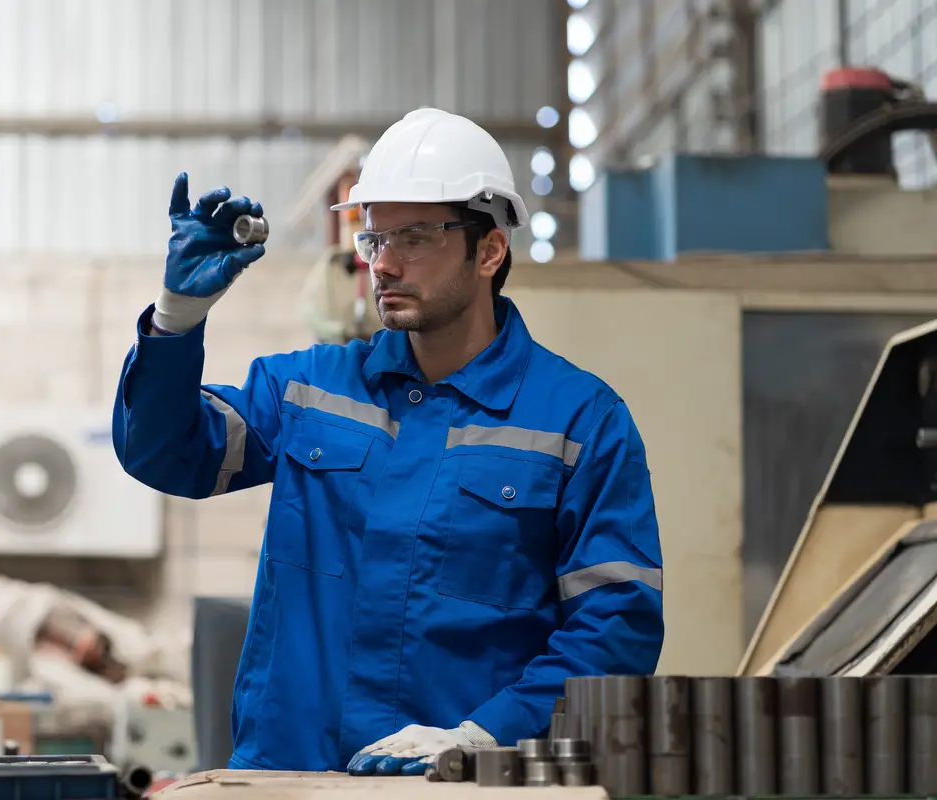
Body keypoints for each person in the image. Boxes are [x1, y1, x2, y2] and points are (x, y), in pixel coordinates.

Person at [112, 107, 664, 775]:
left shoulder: (579, 421)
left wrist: (488, 735)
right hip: (289, 781)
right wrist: (178, 318)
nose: (384, 263)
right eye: (373, 239)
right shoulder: (309, 389)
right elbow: (164, 451)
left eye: (416, 237)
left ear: (489, 250)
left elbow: (615, 626)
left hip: (461, 788)